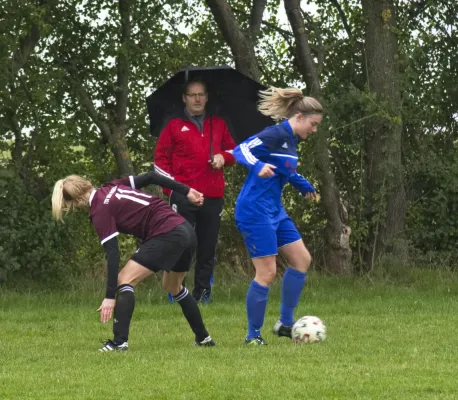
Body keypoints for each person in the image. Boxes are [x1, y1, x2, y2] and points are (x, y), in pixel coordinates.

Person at [51, 170, 216, 351]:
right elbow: (150, 177)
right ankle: (204, 339)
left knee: (124, 280)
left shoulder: (99, 210)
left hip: (167, 234)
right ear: (86, 183)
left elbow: (113, 254)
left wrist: (109, 297)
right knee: (173, 286)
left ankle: (119, 342)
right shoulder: (110, 186)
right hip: (185, 230)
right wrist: (186, 191)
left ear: (75, 201)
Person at [232, 87, 322, 345]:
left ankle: (285, 323)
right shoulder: (274, 134)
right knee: (267, 273)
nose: (314, 130)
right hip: (254, 210)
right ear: (299, 117)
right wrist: (257, 165)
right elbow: (241, 150)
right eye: (313, 125)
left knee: (302, 259)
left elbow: (286, 169)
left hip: (274, 210)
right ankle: (253, 336)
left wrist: (303, 184)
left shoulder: (291, 141)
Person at [154, 78, 237, 303]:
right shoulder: (173, 126)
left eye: (201, 94)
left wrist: (224, 157)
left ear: (207, 97)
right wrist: (170, 190)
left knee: (207, 247)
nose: (198, 99)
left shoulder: (218, 124)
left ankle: (203, 295)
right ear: (185, 98)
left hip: (213, 194)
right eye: (193, 95)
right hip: (182, 194)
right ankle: (176, 293)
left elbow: (235, 152)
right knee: (180, 244)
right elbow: (160, 161)